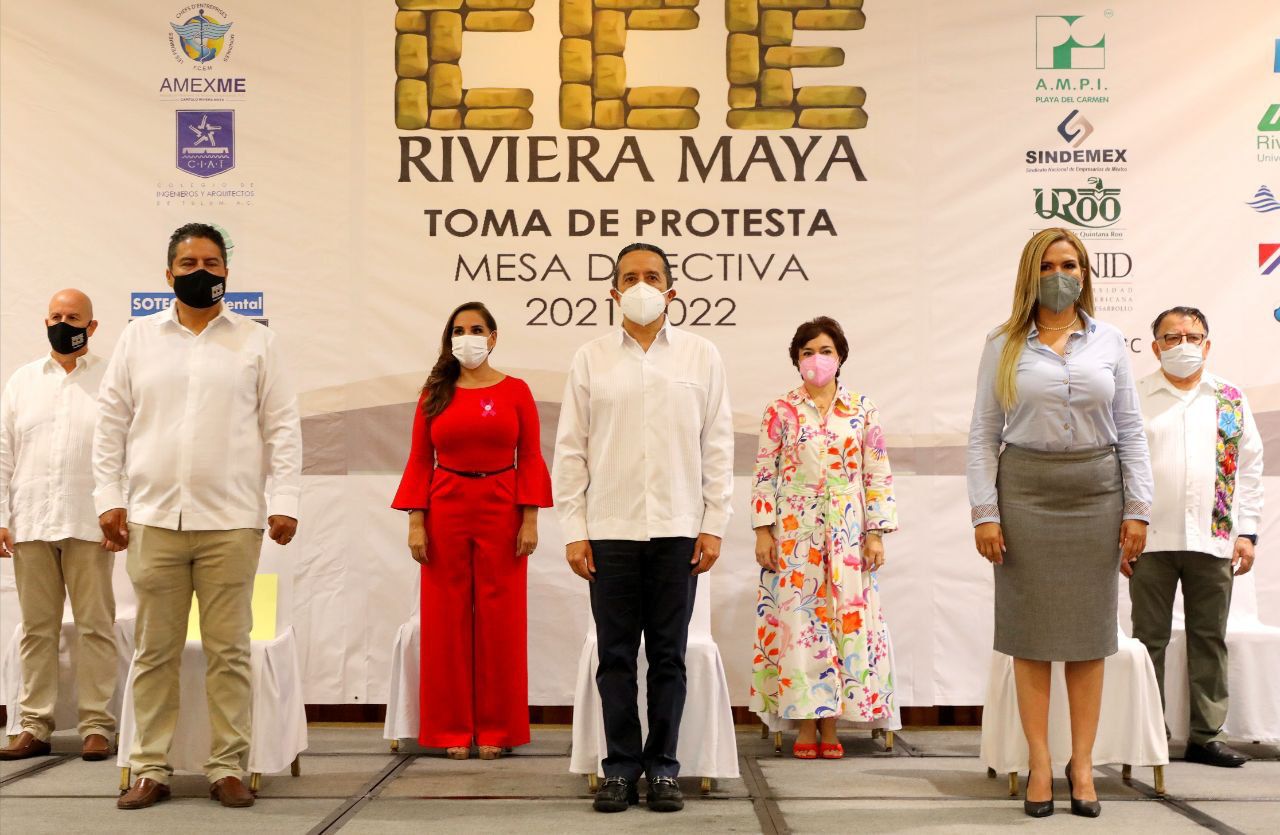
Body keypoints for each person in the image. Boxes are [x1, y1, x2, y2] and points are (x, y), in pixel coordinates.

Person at [95, 223, 302, 810]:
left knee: (229, 651)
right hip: (153, 519)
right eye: (188, 264)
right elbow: (110, 424)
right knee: (153, 651)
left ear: (227, 272)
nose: (200, 272)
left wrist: (284, 501)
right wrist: (108, 497)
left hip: (232, 521)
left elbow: (282, 426)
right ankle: (149, 767)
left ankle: (227, 766)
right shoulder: (138, 338)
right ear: (168, 274)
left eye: (211, 263)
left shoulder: (257, 342)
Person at [966, 227, 1153, 819]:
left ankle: (1083, 765)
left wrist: (1138, 509)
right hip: (1025, 494)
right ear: (1030, 273)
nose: (1059, 275)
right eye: (1047, 265)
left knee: (1088, 639)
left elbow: (1130, 429)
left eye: (1069, 264)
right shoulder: (1002, 343)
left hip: (1097, 495)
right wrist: (985, 512)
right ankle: (1041, 764)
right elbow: (983, 435)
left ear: (1085, 273)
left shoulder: (1110, 341)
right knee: (1030, 638)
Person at [553, 242, 733, 814]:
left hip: (679, 527)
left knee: (669, 659)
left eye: (652, 276)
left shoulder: (702, 357)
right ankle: (620, 768)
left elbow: (717, 446)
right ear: (613, 292)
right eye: (630, 277)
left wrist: (714, 524)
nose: (641, 286)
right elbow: (571, 450)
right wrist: (574, 529)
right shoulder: (590, 359)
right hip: (610, 528)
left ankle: (663, 769)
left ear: (671, 290)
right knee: (614, 658)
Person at [391, 301, 552, 760]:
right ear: (449, 340)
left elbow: (531, 456)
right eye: (459, 330)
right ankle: (450, 729)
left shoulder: (516, 391)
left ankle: (499, 728)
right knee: (445, 622)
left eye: (477, 329)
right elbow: (420, 459)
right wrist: (416, 522)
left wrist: (530, 518)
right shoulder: (434, 393)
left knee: (502, 622)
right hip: (446, 506)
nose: (468, 337)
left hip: (502, 506)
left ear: (493, 337)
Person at [749, 317, 898, 759]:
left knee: (842, 620)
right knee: (800, 623)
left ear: (841, 356)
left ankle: (832, 721)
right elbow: (764, 472)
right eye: (808, 352)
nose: (817, 359)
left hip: (849, 531)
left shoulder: (862, 409)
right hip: (795, 531)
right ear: (797, 360)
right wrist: (763, 530)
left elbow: (877, 472)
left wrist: (876, 534)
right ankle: (804, 721)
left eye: (826, 351)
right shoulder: (780, 410)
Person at [1130, 306, 1264, 768]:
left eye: (1193, 336)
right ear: (1155, 348)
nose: (1183, 345)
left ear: (1207, 345)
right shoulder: (1135, 396)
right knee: (1148, 641)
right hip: (1148, 539)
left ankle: (1205, 736)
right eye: (1172, 337)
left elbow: (1249, 468)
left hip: (1213, 538)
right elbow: (1118, 465)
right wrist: (1119, 530)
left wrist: (1247, 532)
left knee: (1209, 638)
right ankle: (1148, 734)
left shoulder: (1229, 398)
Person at [0, 290, 119, 763]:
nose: (63, 323)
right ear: (45, 322)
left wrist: (119, 510)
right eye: (56, 316)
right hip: (31, 521)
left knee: (96, 627)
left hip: (91, 521)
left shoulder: (112, 378)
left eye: (74, 317)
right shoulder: (22, 380)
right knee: (36, 630)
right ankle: (34, 724)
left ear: (92, 326)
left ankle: (97, 725)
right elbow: (3, 451)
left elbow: (125, 451)